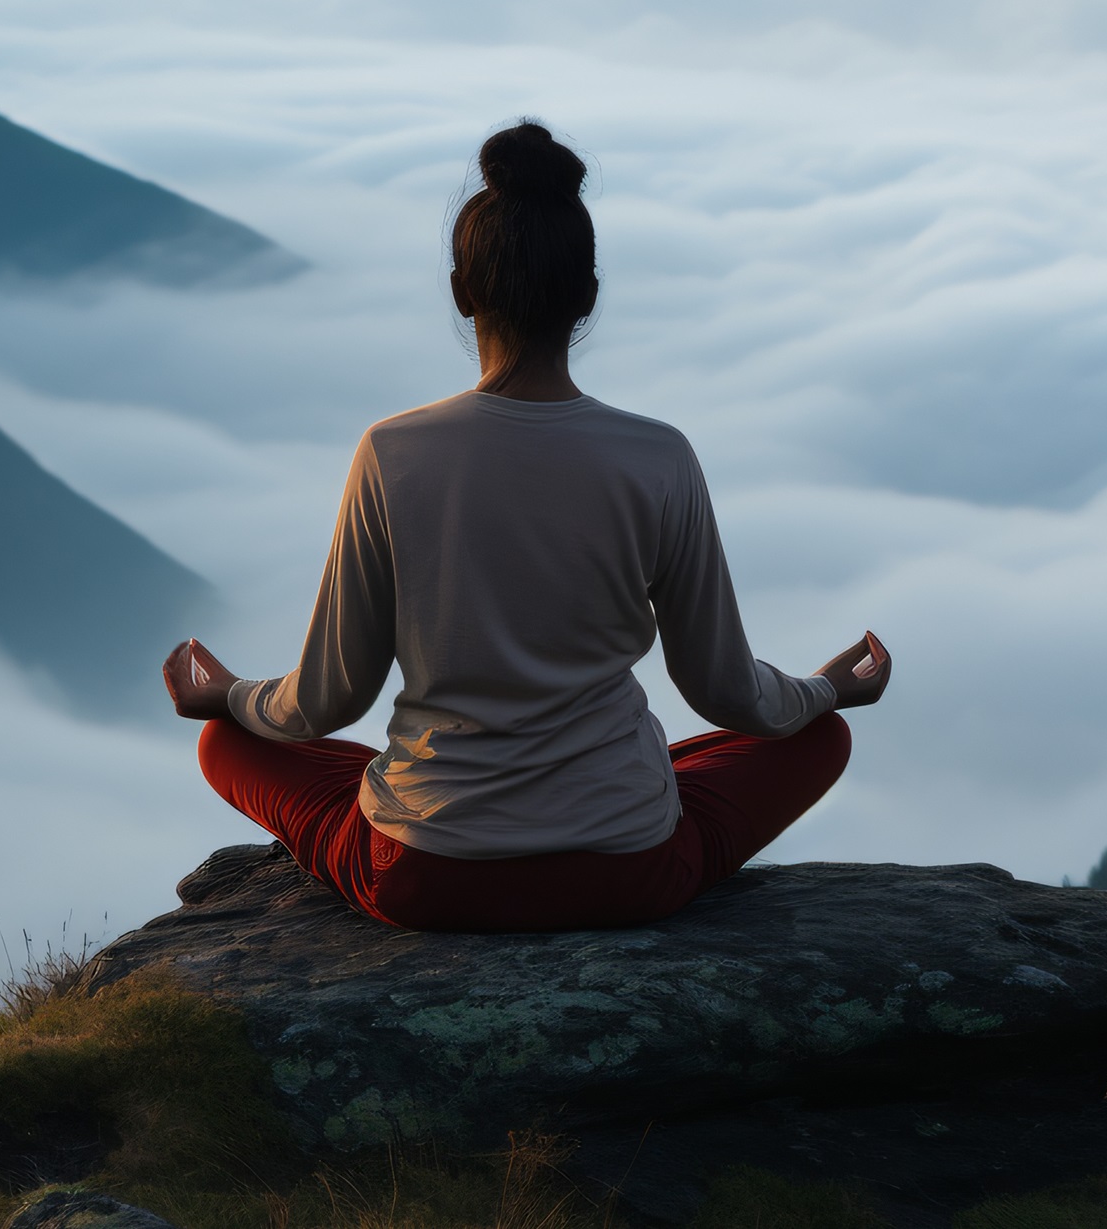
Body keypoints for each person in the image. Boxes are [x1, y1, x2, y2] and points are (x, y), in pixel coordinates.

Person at [164, 119, 891, 933]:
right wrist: (828, 690)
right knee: (816, 739)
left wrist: (229, 696)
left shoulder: (391, 451)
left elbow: (325, 701)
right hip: (629, 870)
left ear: (459, 290)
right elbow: (724, 692)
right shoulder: (658, 456)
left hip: (428, 876)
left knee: (227, 745)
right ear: (586, 295)